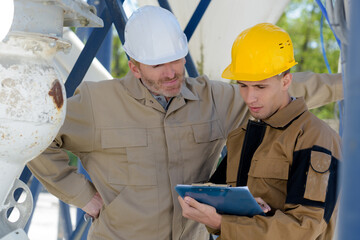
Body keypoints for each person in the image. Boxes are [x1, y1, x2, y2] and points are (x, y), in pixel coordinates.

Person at [27, 6, 342, 240]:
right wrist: (81, 194)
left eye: (176, 59)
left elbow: (282, 86)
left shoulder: (213, 100)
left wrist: (350, 82)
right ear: (134, 66)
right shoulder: (96, 104)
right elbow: (31, 131)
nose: (171, 73)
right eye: (157, 65)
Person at [178, 23, 341, 240]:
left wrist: (222, 222)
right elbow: (219, 203)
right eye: (243, 85)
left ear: (286, 80)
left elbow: (305, 229)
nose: (249, 98)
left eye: (260, 87)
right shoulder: (241, 136)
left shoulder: (315, 138)